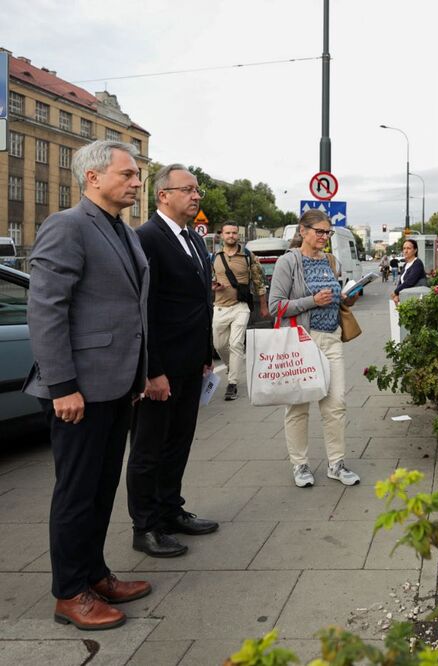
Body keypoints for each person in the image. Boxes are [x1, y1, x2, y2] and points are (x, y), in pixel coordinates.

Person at [24, 139, 152, 630]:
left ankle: (95, 574)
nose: (137, 182)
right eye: (128, 174)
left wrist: (138, 373)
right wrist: (62, 386)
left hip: (117, 384)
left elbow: (130, 311)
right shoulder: (67, 226)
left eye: (138, 174)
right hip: (77, 388)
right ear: (93, 177)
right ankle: (70, 592)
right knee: (76, 492)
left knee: (101, 488)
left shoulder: (125, 231)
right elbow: (46, 310)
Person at [128, 164, 218, 558]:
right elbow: (143, 309)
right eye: (188, 189)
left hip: (189, 363)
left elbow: (200, 301)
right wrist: (152, 370)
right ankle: (145, 526)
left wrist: (205, 355)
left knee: (179, 442)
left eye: (197, 190)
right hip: (160, 368)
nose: (196, 196)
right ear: (163, 195)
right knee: (149, 448)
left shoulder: (195, 240)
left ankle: (171, 509)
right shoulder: (147, 237)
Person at [268, 209, 361, 489]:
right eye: (319, 231)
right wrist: (312, 301)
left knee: (336, 404)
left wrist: (347, 297)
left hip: (331, 339)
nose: (324, 237)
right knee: (298, 406)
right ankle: (301, 465)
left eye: (327, 232)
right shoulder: (289, 262)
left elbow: (336, 299)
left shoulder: (331, 261)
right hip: (302, 341)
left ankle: (337, 463)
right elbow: (276, 306)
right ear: (303, 231)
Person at [211, 221, 269, 401]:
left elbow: (259, 281)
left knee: (236, 344)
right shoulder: (214, 257)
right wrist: (214, 285)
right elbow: (209, 278)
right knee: (219, 345)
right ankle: (231, 366)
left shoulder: (248, 256)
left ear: (238, 235)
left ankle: (232, 383)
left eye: (234, 233)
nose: (231, 236)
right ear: (222, 235)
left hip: (240, 307)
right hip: (220, 307)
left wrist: (264, 305)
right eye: (227, 233)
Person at [390, 237, 428, 306]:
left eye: (409, 248)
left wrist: (396, 292)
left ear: (415, 250)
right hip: (407, 298)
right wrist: (397, 294)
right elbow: (400, 282)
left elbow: (410, 281)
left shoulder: (417, 263)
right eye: (404, 248)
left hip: (416, 300)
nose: (405, 251)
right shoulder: (405, 264)